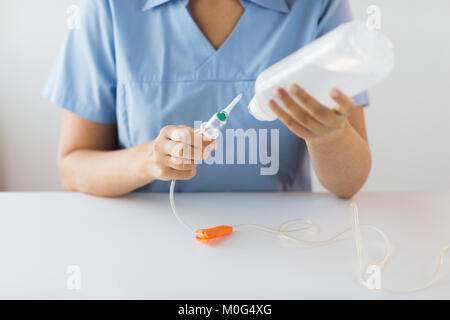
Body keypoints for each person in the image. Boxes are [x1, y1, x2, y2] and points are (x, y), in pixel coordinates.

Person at [43, 0, 371, 198]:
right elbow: (72, 169)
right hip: (146, 242)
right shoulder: (111, 8)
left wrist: (330, 135)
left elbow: (349, 184)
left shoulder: (317, 7)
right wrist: (149, 161)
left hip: (279, 243)